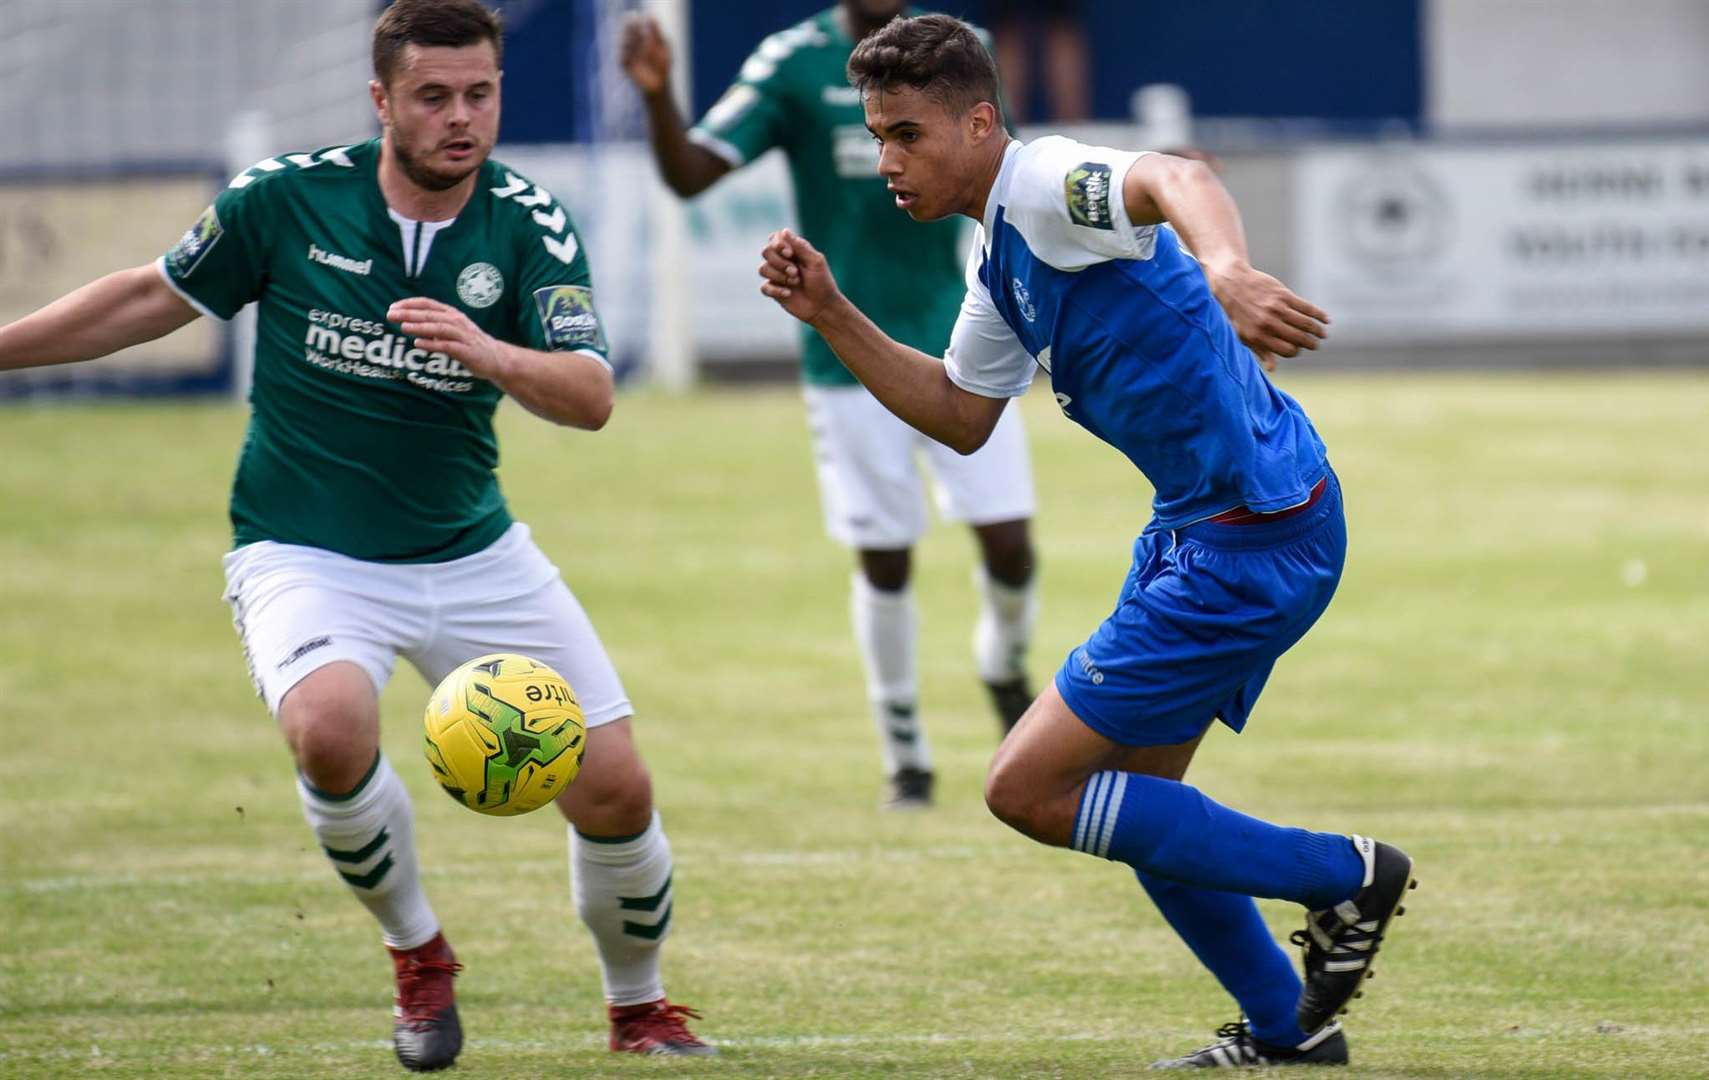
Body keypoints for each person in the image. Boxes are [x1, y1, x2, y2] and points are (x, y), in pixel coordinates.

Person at [0, 0, 714, 1069]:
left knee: (616, 788)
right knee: (329, 728)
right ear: (381, 100)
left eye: (479, 94)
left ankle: (640, 1010)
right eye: (432, 97)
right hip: (305, 548)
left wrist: (491, 352)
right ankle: (418, 955)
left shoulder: (528, 223)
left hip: (472, 552)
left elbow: (590, 395)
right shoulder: (286, 199)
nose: (460, 118)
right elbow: (150, 298)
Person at [757, 13, 1416, 1069]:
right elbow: (961, 413)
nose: (885, 160)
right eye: (877, 134)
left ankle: (1343, 876)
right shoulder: (996, 259)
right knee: (1143, 803)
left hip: (1249, 537)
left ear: (978, 123)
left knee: (1023, 789)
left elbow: (1172, 174)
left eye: (906, 135)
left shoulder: (1043, 185)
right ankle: (1288, 1033)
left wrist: (1226, 269)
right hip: (1214, 527)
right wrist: (831, 311)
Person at [621, 1, 1040, 810]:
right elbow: (690, 173)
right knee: (884, 557)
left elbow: (1007, 180)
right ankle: (906, 754)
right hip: (846, 362)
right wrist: (654, 95)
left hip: (965, 339)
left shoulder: (961, 50)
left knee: (1010, 547)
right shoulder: (790, 60)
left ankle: (1003, 669)